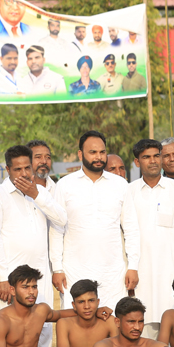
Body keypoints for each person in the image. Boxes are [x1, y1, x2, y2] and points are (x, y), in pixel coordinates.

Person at [0, 144, 67, 347]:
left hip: (40, 276)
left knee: (43, 331)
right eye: (17, 169)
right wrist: (3, 278)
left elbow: (62, 219)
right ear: (7, 170)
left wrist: (36, 195)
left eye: (27, 168)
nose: (23, 174)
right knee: (9, 332)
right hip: (12, 279)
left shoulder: (40, 193)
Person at [50, 130, 139, 312]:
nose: (98, 157)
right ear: (80, 154)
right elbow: (56, 230)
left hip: (113, 273)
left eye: (102, 152)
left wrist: (133, 266)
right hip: (75, 271)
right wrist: (57, 269)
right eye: (93, 152)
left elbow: (131, 229)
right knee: (77, 322)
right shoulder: (65, 185)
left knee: (113, 322)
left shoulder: (120, 184)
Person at [126, 138, 174, 339]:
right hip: (140, 274)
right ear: (137, 162)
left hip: (171, 273)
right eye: (147, 157)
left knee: (173, 332)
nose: (153, 161)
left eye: (157, 156)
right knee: (142, 331)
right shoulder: (129, 192)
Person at [56, 279, 118, 347]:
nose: (87, 306)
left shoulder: (109, 321)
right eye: (81, 302)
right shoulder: (64, 324)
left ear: (98, 302)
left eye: (91, 300)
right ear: (74, 305)